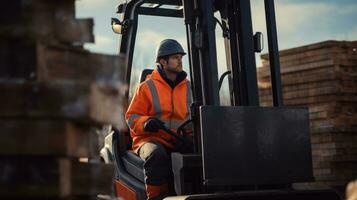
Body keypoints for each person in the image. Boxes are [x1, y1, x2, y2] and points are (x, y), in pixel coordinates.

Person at [125, 39, 192, 200]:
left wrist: (190, 136)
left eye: (181, 57)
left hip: (177, 139)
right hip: (149, 139)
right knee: (157, 155)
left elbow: (192, 116)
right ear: (163, 61)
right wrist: (146, 122)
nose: (180, 60)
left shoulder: (189, 87)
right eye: (176, 57)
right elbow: (131, 117)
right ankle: (157, 197)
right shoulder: (146, 87)